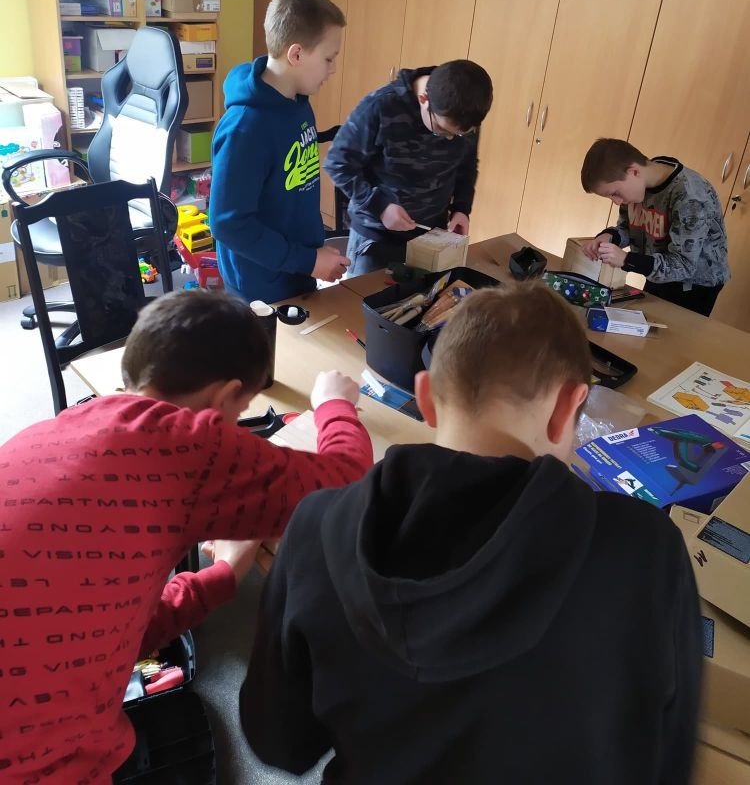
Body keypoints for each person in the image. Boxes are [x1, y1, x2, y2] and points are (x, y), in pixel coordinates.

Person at [240, 285, 702, 785]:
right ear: (568, 406)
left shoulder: (316, 526)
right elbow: (667, 760)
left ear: (425, 399)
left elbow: (279, 742)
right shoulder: (649, 549)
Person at [0, 289, 372, 784]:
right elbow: (345, 483)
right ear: (222, 398)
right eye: (241, 411)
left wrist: (220, 576)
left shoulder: (55, 430)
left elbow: (113, 623)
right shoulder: (186, 444)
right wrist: (334, 405)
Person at [210, 0, 351, 304]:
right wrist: (308, 260)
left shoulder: (298, 103)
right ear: (296, 54)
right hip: (261, 285)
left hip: (297, 267)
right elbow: (228, 224)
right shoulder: (245, 129)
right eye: (329, 58)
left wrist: (311, 256)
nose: (333, 69)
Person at [324, 59, 493, 276]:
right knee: (364, 297)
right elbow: (338, 163)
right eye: (441, 130)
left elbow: (467, 165)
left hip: (431, 238)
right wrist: (380, 206)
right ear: (424, 100)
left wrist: (461, 209)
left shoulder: (464, 111)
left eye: (460, 134)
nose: (450, 139)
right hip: (376, 238)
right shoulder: (381, 106)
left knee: (424, 296)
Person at [581, 138, 729, 316]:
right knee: (647, 322)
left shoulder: (691, 196)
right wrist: (608, 237)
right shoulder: (639, 184)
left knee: (672, 332)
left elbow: (684, 265)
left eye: (615, 193)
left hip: (694, 285)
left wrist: (627, 260)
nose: (617, 202)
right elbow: (628, 228)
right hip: (656, 269)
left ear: (634, 171)